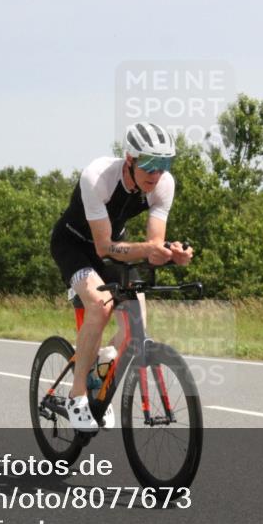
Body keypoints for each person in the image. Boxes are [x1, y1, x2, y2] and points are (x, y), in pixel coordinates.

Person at [50, 122, 193, 432]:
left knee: (136, 322)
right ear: (130, 159)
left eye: (164, 164)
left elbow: (154, 244)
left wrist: (171, 253)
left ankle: (101, 363)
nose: (157, 173)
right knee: (100, 305)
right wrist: (151, 249)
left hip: (117, 248)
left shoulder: (163, 185)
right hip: (75, 245)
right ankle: (76, 396)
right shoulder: (98, 177)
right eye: (151, 164)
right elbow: (103, 246)